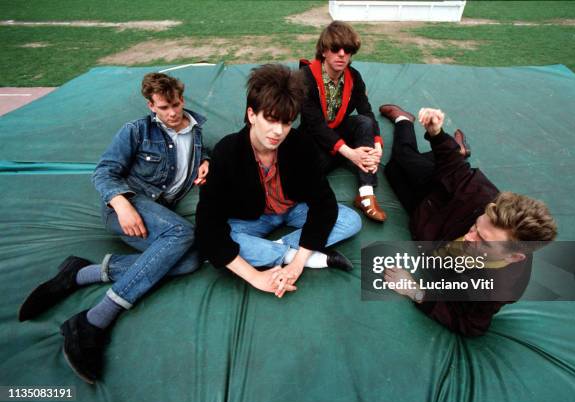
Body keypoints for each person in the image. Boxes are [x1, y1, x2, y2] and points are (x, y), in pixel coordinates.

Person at [19, 72, 210, 383]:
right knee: (182, 235)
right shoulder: (136, 131)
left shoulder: (196, 130)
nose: (172, 113)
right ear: (151, 106)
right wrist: (122, 205)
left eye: (175, 104)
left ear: (182, 100)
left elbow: (191, 154)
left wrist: (206, 160)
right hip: (127, 209)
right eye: (164, 108)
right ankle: (92, 322)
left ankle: (80, 274)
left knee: (189, 261)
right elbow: (104, 172)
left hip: (159, 215)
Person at [379, 104, 557, 336]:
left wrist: (415, 291)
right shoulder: (484, 198)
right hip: (440, 191)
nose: (468, 237)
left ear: (513, 256)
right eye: (475, 227)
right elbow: (455, 171)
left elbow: (470, 325)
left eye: (483, 241)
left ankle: (451, 144)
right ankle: (407, 121)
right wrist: (436, 133)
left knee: (394, 169)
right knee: (401, 162)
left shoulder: (499, 288)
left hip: (426, 213)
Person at [196, 64, 361, 298]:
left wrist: (298, 263)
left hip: (292, 208)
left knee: (350, 220)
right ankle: (293, 253)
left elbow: (323, 203)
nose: (278, 131)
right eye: (271, 119)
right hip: (251, 218)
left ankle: (284, 251)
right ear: (252, 114)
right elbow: (207, 225)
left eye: (286, 122)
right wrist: (255, 277)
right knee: (214, 239)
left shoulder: (300, 145)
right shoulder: (227, 151)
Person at [299, 21, 387, 223]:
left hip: (340, 132)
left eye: (347, 50)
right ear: (323, 51)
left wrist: (377, 145)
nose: (341, 54)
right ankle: (348, 157)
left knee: (364, 122)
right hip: (313, 137)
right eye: (335, 49)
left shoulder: (353, 76)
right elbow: (315, 125)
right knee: (306, 177)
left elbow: (366, 110)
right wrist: (350, 153)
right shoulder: (305, 78)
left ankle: (365, 193)